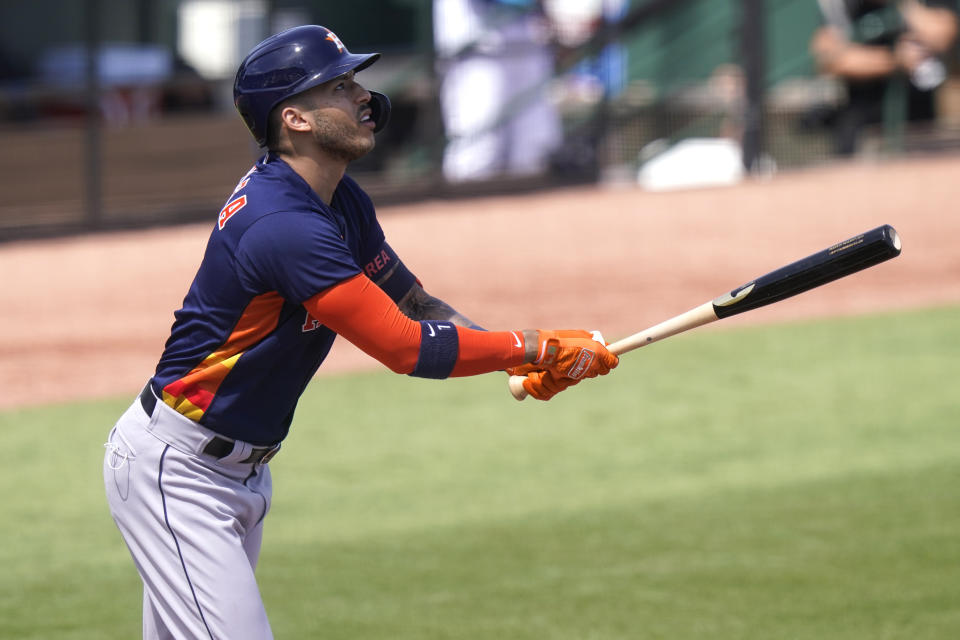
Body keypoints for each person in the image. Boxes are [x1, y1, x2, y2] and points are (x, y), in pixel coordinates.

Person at [102, 24, 617, 639]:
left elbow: (416, 302)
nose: (363, 96)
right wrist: (529, 345)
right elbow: (403, 345)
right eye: (340, 87)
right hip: (180, 474)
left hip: (236, 471)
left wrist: (518, 362)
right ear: (294, 118)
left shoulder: (340, 200)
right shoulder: (282, 224)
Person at [433, 0, 563, 181]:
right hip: (477, 46)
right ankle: (468, 206)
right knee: (479, 152)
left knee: (532, 147)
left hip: (529, 38)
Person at [810, 0, 959, 155]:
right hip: (862, 123)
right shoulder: (841, 4)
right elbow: (830, 61)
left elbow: (943, 34)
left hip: (917, 120)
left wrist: (904, 6)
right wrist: (896, 60)